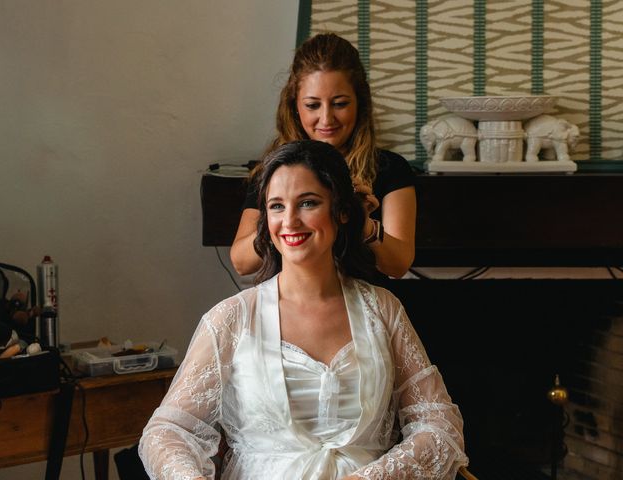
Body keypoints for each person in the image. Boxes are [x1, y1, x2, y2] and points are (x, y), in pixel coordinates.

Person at [139, 140, 467, 479]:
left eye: (308, 202)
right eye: (277, 206)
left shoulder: (382, 309)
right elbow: (169, 431)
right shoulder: (231, 318)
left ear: (341, 211)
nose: (290, 221)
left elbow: (438, 423)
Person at [230, 32, 416, 279]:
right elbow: (242, 263)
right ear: (294, 105)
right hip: (289, 308)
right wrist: (279, 217)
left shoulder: (390, 168)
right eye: (313, 105)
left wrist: (363, 222)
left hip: (364, 309)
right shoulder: (275, 170)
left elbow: (398, 265)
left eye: (339, 103)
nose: (327, 119)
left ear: (360, 103)